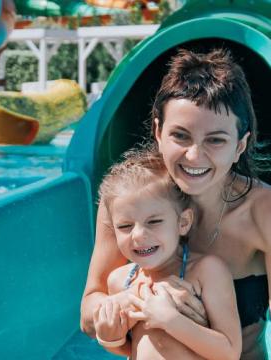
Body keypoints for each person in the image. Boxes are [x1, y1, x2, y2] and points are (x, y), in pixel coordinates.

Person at [81, 48, 270, 359]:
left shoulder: (263, 212)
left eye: (215, 140)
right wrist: (138, 300)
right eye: (181, 136)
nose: (194, 156)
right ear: (158, 132)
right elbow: (90, 309)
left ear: (240, 145)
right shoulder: (129, 202)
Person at [93, 149, 242, 359]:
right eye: (125, 226)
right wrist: (110, 338)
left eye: (153, 222)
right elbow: (129, 347)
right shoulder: (120, 281)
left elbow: (229, 352)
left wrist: (171, 320)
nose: (138, 235)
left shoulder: (205, 271)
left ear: (183, 223)